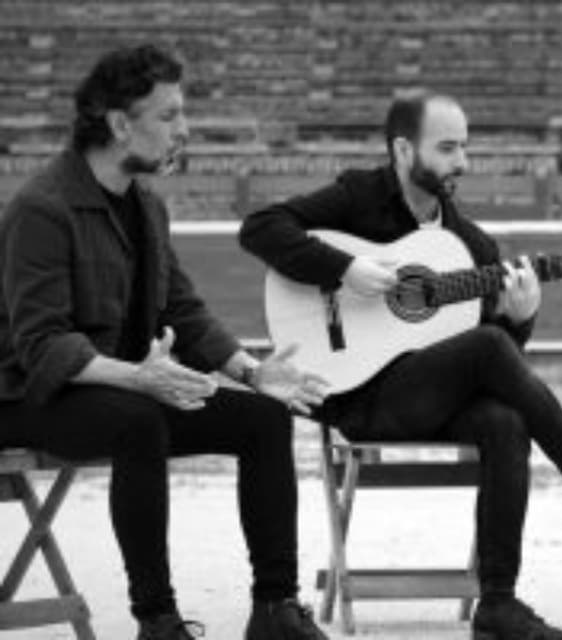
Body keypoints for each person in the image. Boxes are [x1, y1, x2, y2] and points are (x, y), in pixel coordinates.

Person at [239, 91, 562, 640]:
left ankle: (497, 604)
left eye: (465, 148)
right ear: (403, 149)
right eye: (447, 148)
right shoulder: (358, 196)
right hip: (355, 396)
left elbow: (499, 371)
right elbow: (258, 228)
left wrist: (523, 318)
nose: (462, 163)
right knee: (490, 346)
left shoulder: (469, 245)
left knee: (505, 419)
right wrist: (345, 267)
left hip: (423, 398)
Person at [0, 45, 331, 640]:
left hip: (118, 389)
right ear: (120, 124)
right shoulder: (41, 209)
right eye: (169, 115)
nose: (185, 128)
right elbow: (42, 346)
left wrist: (253, 373)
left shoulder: (147, 205)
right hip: (25, 397)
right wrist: (136, 378)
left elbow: (182, 309)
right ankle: (157, 620)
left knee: (262, 420)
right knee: (138, 422)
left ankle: (276, 609)